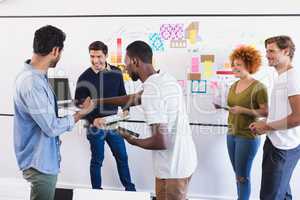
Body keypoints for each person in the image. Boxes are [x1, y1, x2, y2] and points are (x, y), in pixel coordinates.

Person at [13, 25, 94, 200]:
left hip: (43, 160)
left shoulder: (38, 77)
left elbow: (46, 111)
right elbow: (51, 127)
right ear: (55, 50)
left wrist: (74, 105)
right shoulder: (32, 82)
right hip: (39, 164)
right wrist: (82, 113)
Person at [115, 40, 198, 200]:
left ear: (135, 61)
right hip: (185, 162)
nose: (125, 67)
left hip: (172, 171)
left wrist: (132, 140)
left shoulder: (151, 92)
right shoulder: (164, 79)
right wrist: (98, 102)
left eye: (126, 63)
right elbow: (133, 98)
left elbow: (161, 142)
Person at [74, 41, 136, 191]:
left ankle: (130, 190)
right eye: (92, 56)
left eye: (99, 56)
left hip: (113, 124)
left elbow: (122, 94)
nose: (95, 61)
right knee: (97, 160)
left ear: (106, 55)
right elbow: (79, 105)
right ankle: (96, 192)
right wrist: (92, 119)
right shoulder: (84, 78)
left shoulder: (116, 72)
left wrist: (126, 107)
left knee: (122, 157)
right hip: (95, 128)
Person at [249, 36, 300, 200]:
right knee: (282, 194)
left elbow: (298, 117)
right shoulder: (282, 77)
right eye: (267, 51)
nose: (267, 55)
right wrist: (264, 122)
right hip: (277, 143)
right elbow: (283, 112)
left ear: (286, 51)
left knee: (270, 196)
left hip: (283, 148)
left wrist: (266, 126)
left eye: (272, 51)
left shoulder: (292, 78)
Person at [218, 45, 268, 200]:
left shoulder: (259, 87)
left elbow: (265, 112)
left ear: (249, 65)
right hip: (231, 134)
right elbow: (234, 108)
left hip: (247, 136)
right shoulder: (233, 85)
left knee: (242, 177)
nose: (234, 67)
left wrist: (243, 110)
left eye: (238, 64)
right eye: (234, 64)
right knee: (238, 175)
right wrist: (221, 106)